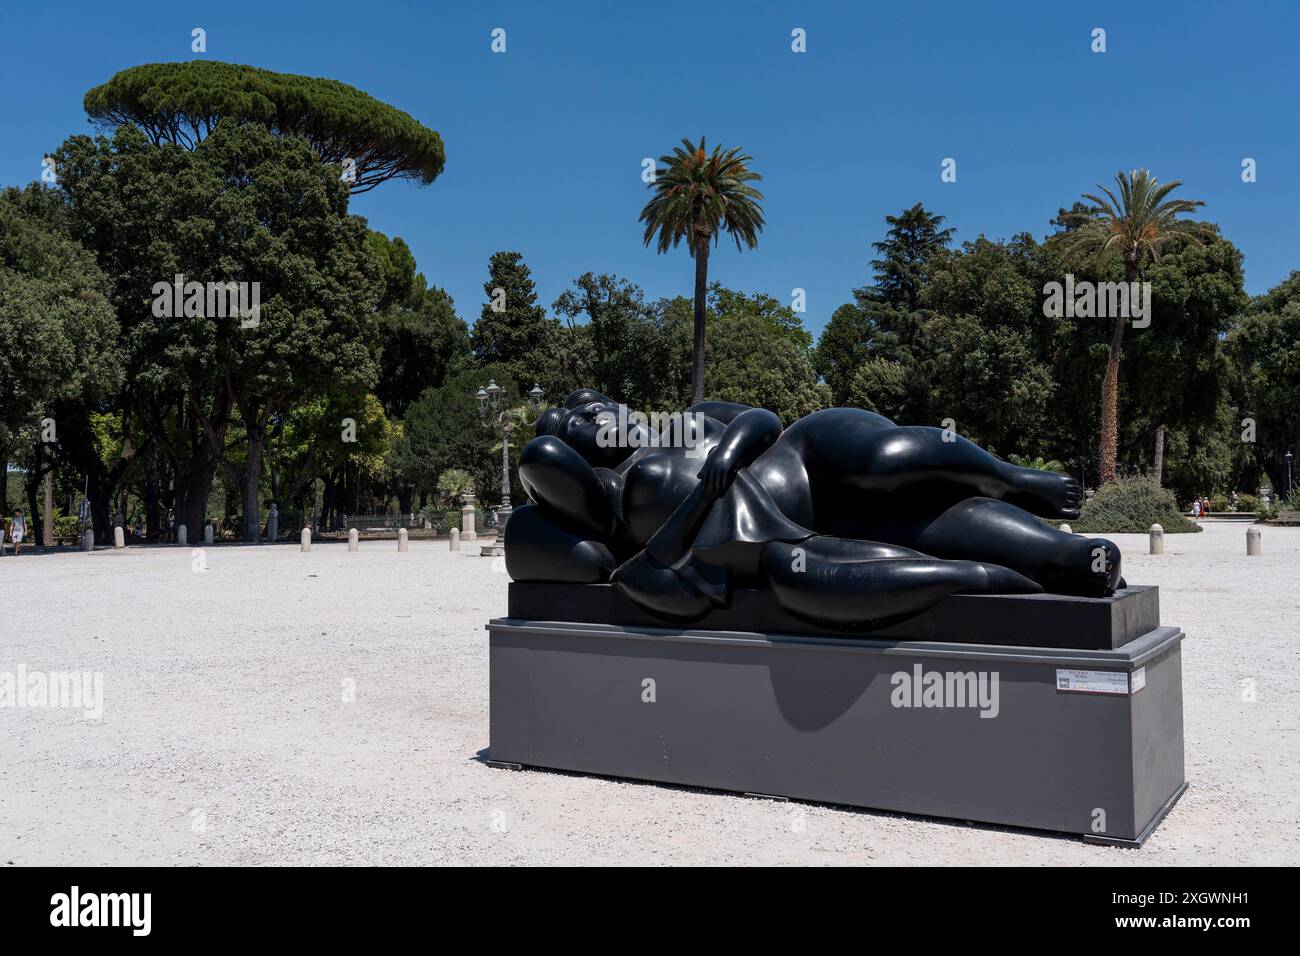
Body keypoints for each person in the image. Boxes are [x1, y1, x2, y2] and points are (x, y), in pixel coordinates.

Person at [508, 390, 1120, 628]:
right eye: (581, 425)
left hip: (809, 456)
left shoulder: (687, 421)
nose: (598, 419)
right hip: (803, 528)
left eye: (595, 408)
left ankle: (1015, 478)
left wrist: (726, 452)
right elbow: (546, 469)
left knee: (888, 456)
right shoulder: (619, 494)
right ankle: (1059, 559)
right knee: (931, 528)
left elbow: (763, 419)